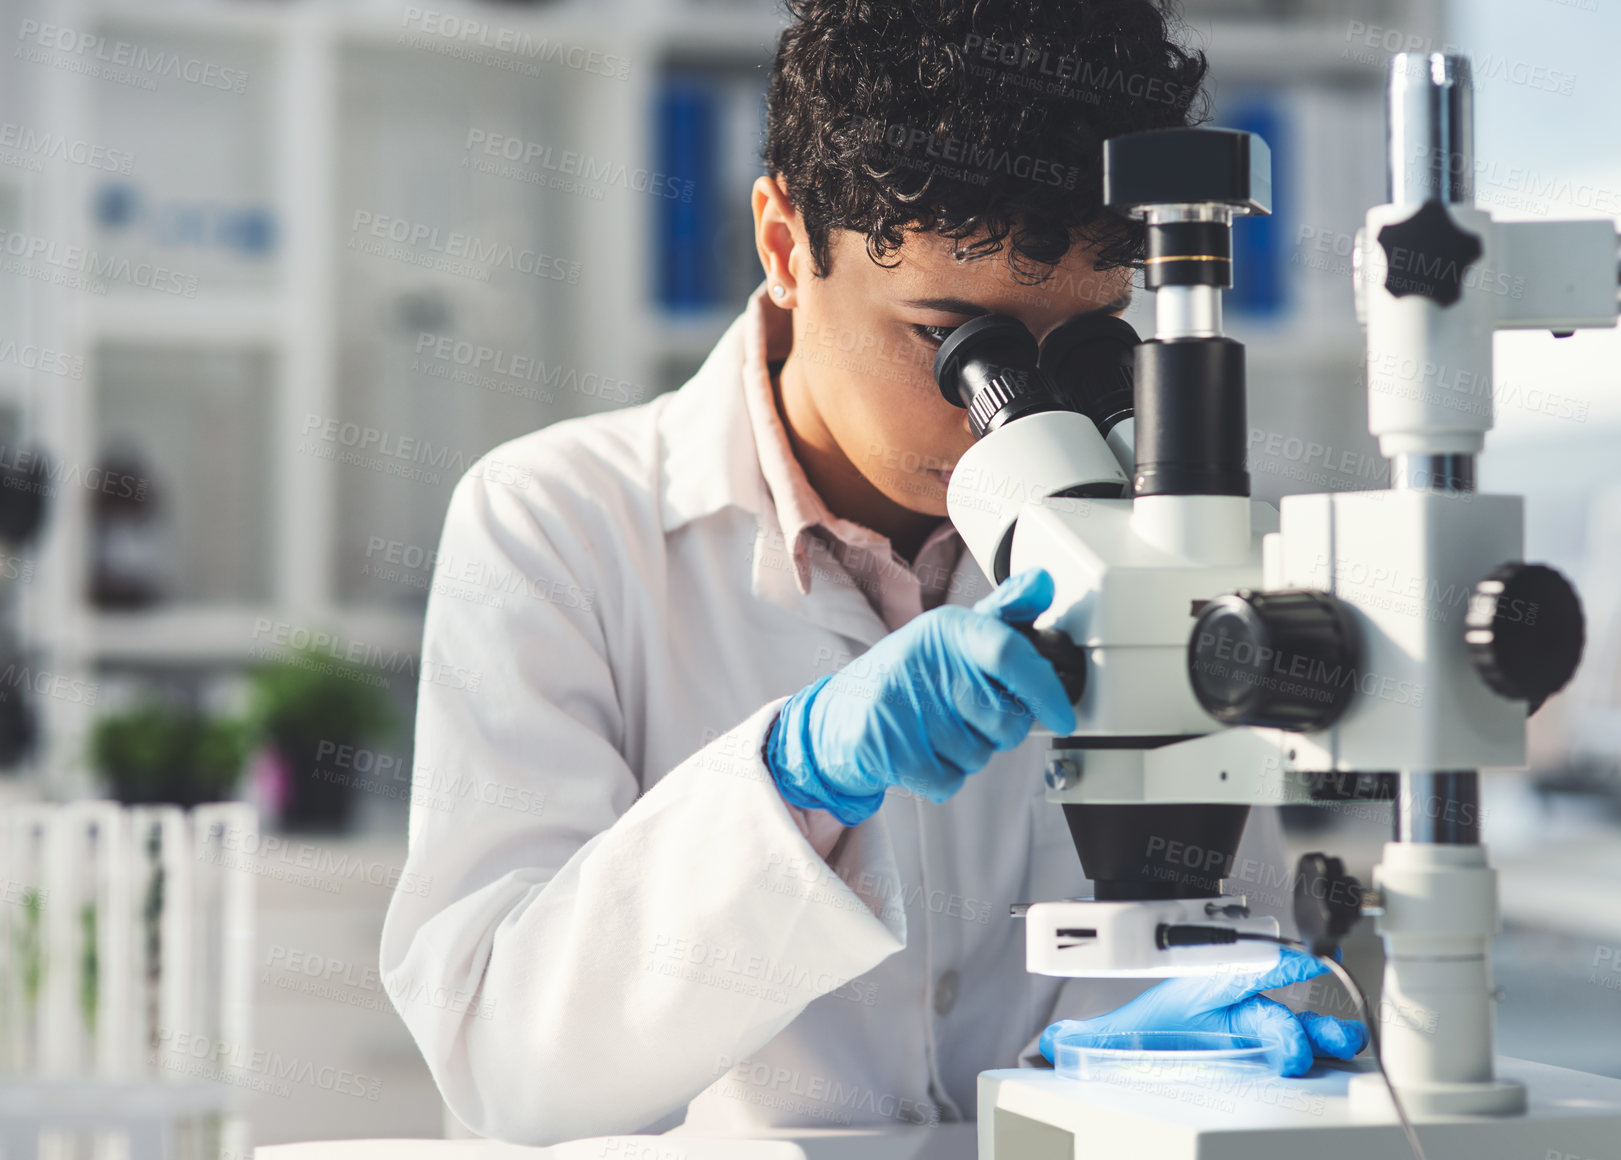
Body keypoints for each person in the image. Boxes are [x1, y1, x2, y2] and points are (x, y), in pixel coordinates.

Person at [380, 0, 1363, 1144]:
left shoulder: (1158, 542)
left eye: (1087, 342)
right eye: (958, 344)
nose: (1024, 417)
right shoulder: (554, 523)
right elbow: (507, 1063)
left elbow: (1201, 959)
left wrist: (1237, 1025)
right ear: (786, 246)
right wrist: (789, 783)